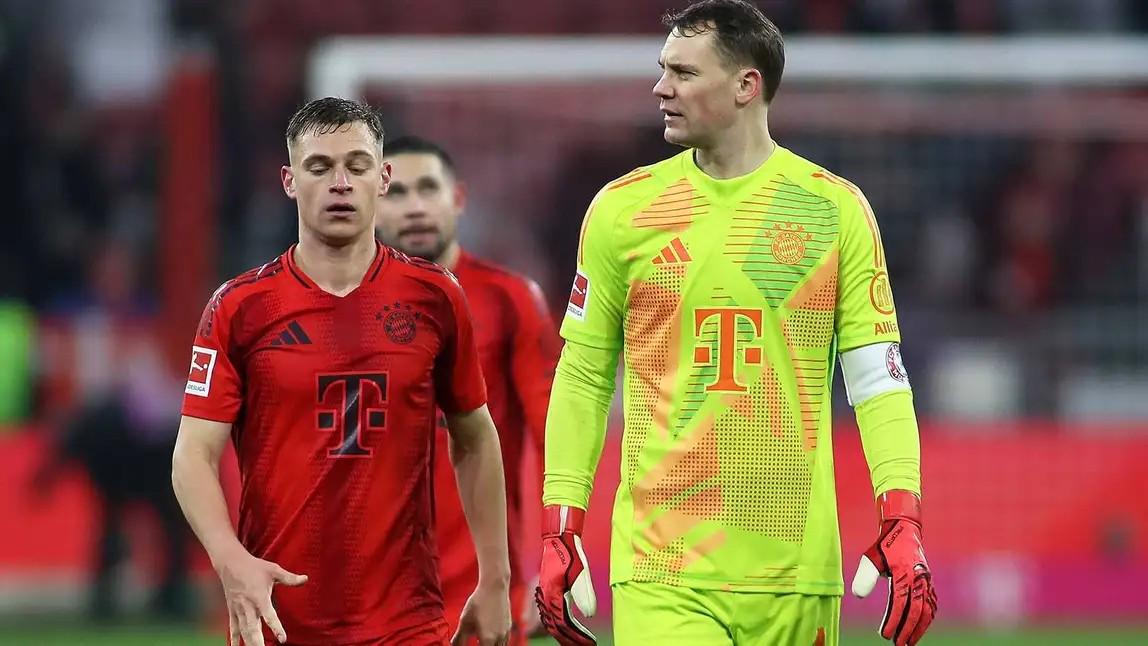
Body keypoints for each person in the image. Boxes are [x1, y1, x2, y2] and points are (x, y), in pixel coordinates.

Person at [534, 2, 937, 646]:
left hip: (797, 571)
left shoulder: (832, 210)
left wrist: (902, 515)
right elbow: (583, 376)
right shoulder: (622, 211)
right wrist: (560, 522)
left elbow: (877, 380)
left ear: (747, 85)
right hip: (662, 568)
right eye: (663, 69)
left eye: (684, 73)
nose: (661, 88)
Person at [171, 97, 512, 646]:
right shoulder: (239, 307)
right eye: (319, 167)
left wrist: (495, 579)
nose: (340, 183)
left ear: (383, 178)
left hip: (407, 622)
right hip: (277, 621)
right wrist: (229, 558)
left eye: (356, 165)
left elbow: (475, 437)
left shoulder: (436, 297)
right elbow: (192, 454)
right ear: (289, 181)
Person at [375, 135, 560, 645]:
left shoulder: (509, 300)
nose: (415, 206)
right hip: (371, 591)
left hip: (481, 590)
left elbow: (554, 436)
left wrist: (555, 556)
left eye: (428, 189)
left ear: (457, 198)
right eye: (396, 193)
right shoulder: (344, 307)